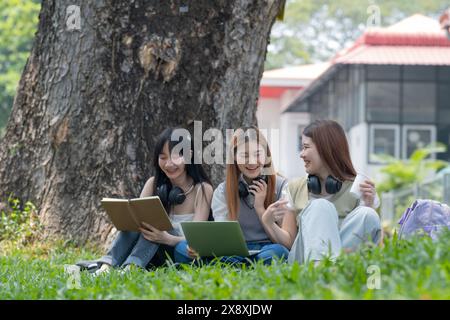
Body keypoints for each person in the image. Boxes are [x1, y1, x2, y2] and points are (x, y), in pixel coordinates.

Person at [82, 127, 213, 274]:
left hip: (178, 252)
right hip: (151, 254)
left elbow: (196, 240)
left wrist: (166, 238)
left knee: (154, 226)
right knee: (139, 222)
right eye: (163, 157)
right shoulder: (153, 183)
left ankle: (131, 268)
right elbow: (136, 222)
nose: (169, 164)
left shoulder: (203, 190)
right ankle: (107, 266)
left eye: (175, 156)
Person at [175, 126, 297, 265]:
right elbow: (223, 239)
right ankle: (244, 265)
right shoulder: (222, 192)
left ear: (267, 155)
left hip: (268, 249)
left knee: (278, 252)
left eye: (257, 154)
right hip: (235, 252)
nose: (251, 161)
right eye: (244, 156)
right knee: (181, 249)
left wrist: (260, 209)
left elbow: (288, 243)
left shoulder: (282, 187)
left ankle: (237, 266)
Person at [286, 120, 382, 265]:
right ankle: (319, 270)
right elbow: (289, 240)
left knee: (367, 214)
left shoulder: (358, 187)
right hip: (303, 261)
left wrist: (368, 205)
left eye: (306, 147)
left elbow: (370, 241)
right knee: (320, 206)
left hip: (343, 259)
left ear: (326, 149)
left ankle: (330, 270)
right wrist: (266, 218)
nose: (302, 154)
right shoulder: (295, 187)